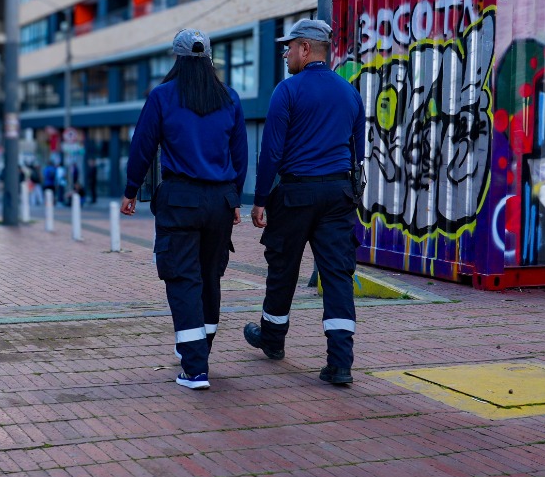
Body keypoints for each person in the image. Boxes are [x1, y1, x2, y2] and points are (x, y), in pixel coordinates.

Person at [121, 28, 248, 391]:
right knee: (210, 276)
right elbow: (239, 155)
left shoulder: (162, 96)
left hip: (180, 200)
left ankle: (194, 369)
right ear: (208, 59)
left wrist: (131, 190)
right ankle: (198, 350)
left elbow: (142, 145)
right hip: (220, 201)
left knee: (182, 278)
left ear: (177, 58)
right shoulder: (229, 98)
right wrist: (235, 198)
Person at [243, 19, 366, 385]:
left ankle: (273, 339)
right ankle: (340, 362)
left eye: (289, 46)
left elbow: (271, 153)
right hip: (337, 194)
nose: (285, 52)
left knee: (283, 269)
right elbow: (356, 152)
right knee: (337, 275)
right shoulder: (350, 93)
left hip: (296, 194)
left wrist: (260, 199)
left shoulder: (288, 91)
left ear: (307, 49)